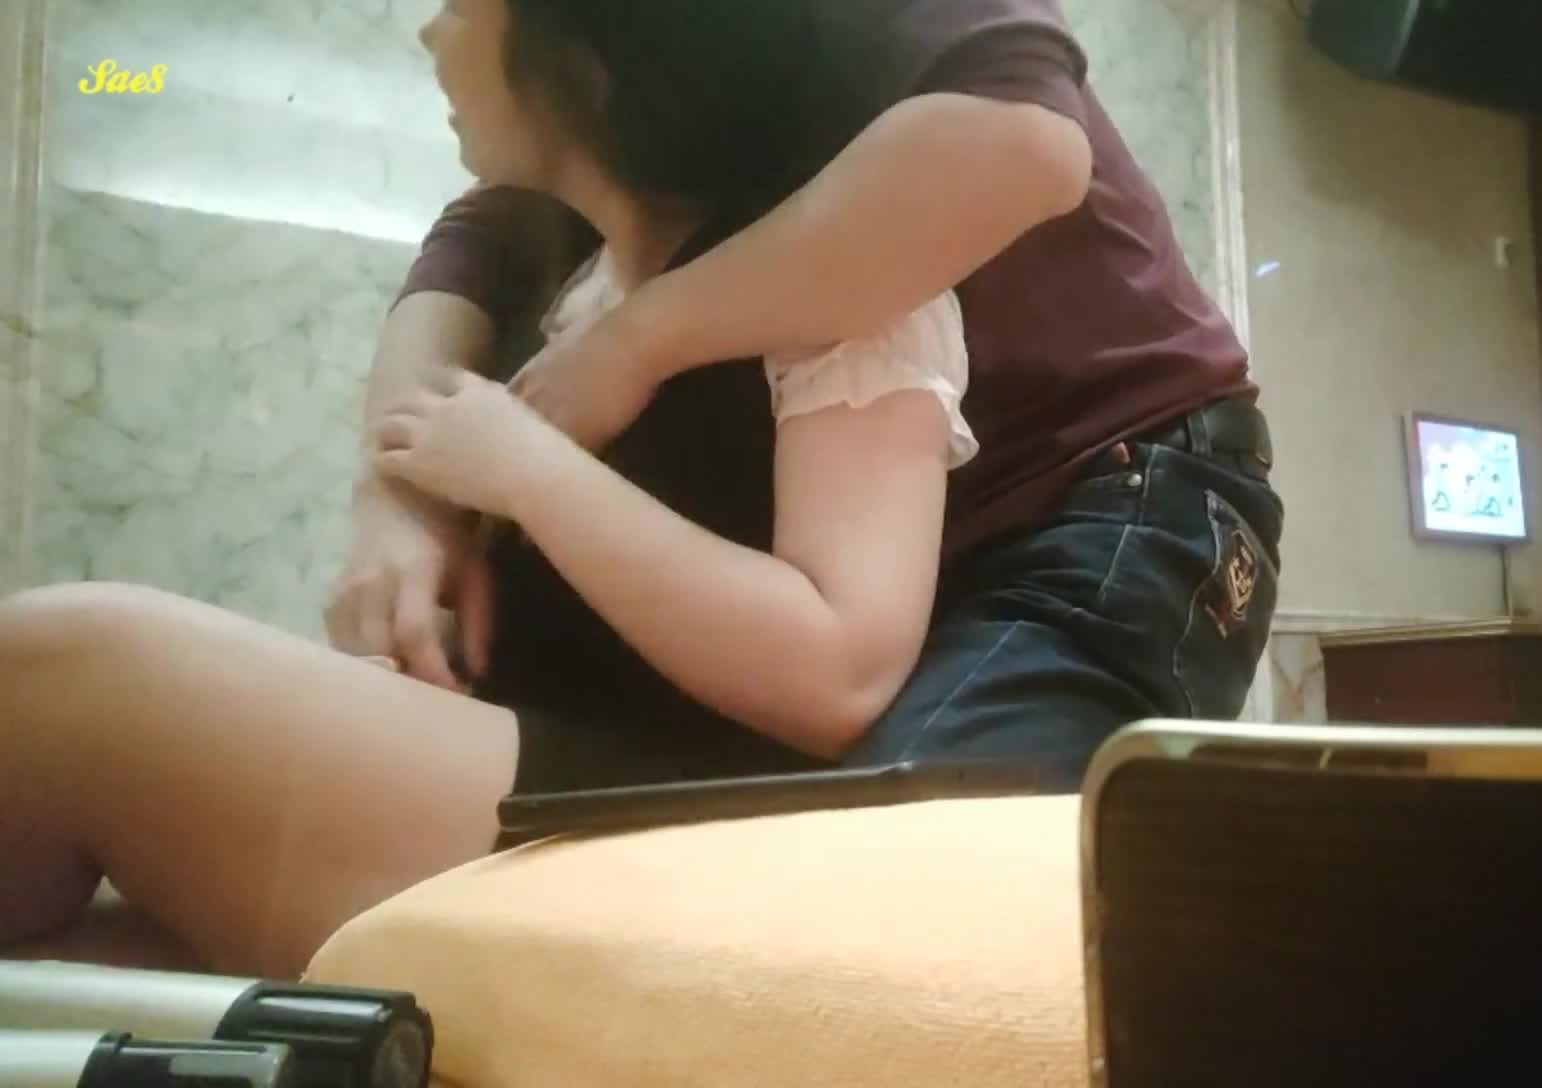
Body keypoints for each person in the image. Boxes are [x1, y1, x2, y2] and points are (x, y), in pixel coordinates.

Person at [0, 0, 1281, 980]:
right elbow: (465, 253)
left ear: (588, 58)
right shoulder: (572, 254)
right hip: (727, 691)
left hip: (1125, 480)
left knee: (889, 910)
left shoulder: (833, 280)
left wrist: (602, 381)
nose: (427, 31)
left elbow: (1019, 147)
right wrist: (405, 496)